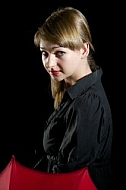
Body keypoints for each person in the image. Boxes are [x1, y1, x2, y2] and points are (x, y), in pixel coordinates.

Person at [33, 6, 114, 190]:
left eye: (59, 52)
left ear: (84, 50)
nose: (49, 63)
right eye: (44, 53)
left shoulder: (87, 102)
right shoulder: (71, 90)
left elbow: (71, 178)